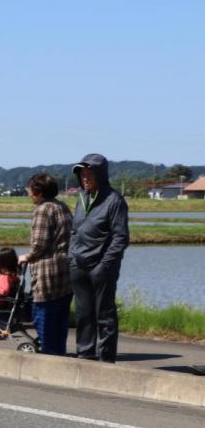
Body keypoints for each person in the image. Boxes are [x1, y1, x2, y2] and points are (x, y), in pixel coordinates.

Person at [68, 153, 129, 362]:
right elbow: (75, 231)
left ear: (101, 174)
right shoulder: (81, 198)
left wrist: (104, 265)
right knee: (83, 314)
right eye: (82, 174)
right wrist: (71, 257)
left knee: (104, 315)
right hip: (79, 265)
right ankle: (85, 354)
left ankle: (106, 358)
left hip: (101, 268)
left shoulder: (114, 201)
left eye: (89, 173)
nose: (85, 177)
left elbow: (120, 238)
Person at [18, 173, 73, 355]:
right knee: (60, 319)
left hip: (47, 271)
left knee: (44, 316)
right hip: (65, 269)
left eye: (30, 189)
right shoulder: (62, 206)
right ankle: (58, 353)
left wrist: (26, 256)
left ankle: (48, 356)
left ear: (38, 191)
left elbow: (39, 244)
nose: (28, 192)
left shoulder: (43, 210)